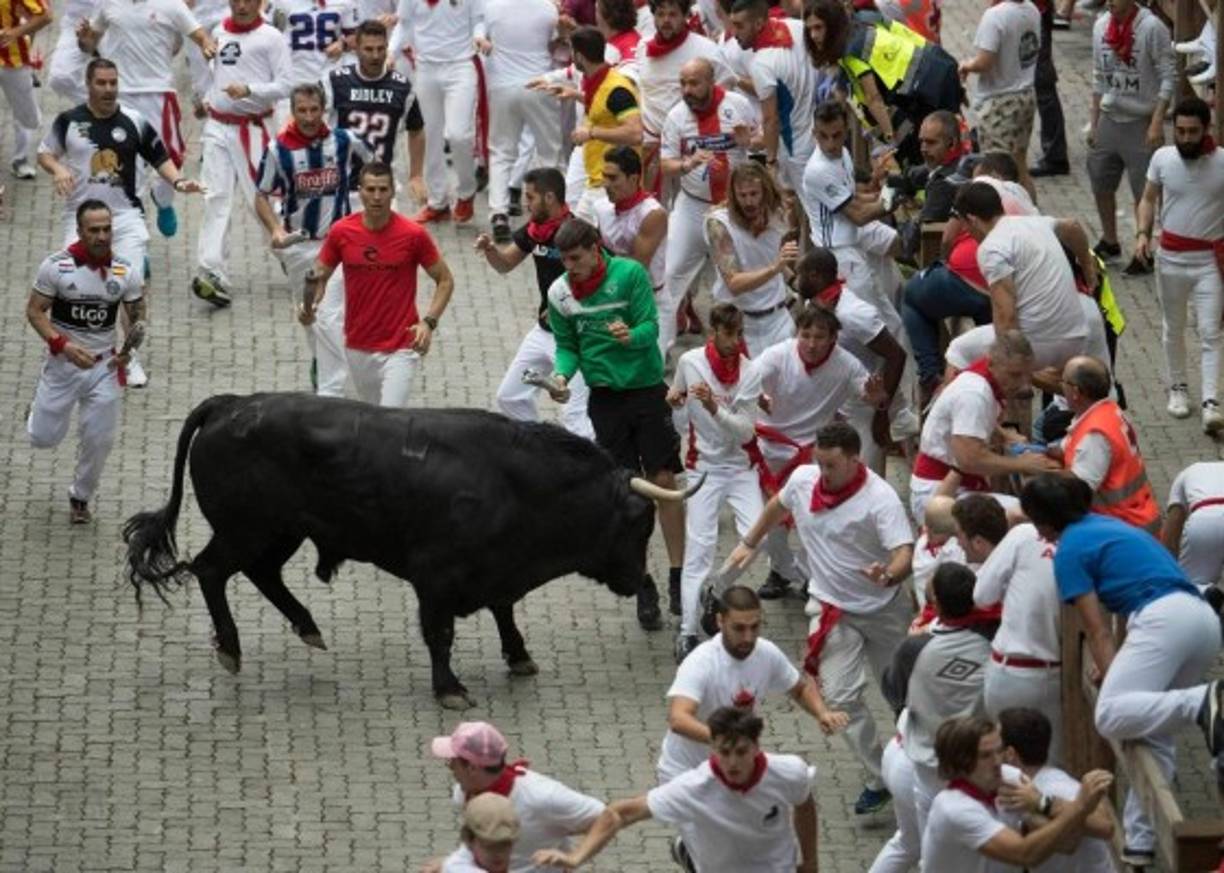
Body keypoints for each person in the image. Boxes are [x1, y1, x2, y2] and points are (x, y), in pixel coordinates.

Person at [1020, 473, 1224, 867]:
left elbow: (1096, 629)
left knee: (1111, 715)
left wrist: (1111, 674)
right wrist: (1120, 669)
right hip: (1200, 621)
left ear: (1045, 522)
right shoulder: (1106, 526)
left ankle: (1204, 700)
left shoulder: (1069, 551)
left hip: (1164, 620)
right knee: (1153, 731)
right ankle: (1139, 845)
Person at [728, 421, 914, 817]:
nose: (823, 473)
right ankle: (881, 776)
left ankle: (918, 764)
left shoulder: (879, 499)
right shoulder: (803, 478)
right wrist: (749, 543)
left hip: (883, 611)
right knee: (840, 698)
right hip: (833, 610)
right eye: (820, 463)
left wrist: (890, 574)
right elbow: (778, 505)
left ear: (854, 459)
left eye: (831, 466)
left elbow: (903, 552)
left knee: (902, 694)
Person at [546, 217, 684, 631]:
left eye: (575, 258)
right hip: (604, 399)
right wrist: (559, 378)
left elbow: (650, 326)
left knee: (663, 481)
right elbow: (568, 347)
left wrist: (631, 337)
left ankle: (679, 576)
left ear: (595, 248)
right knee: (628, 496)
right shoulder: (560, 293)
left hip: (645, 390)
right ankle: (643, 585)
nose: (569, 267)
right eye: (564, 260)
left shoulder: (630, 275)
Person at [37, 58, 206, 388]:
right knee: (71, 285)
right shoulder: (68, 122)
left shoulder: (134, 120)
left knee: (134, 288)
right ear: (88, 85)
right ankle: (72, 353)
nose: (108, 89)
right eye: (101, 83)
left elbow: (160, 158)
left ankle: (128, 359)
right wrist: (58, 170)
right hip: (80, 216)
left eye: (113, 83)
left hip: (125, 217)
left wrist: (180, 182)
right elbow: (45, 153)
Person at [533, 707, 820, 873]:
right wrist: (576, 857)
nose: (733, 762)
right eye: (725, 751)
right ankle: (688, 850)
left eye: (742, 751)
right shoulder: (694, 787)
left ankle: (685, 849)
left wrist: (810, 861)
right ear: (713, 748)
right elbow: (620, 814)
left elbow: (804, 804)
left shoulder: (788, 770)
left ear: (757, 746)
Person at [749, 305, 884, 600]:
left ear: (834, 338)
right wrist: (757, 396)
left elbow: (869, 393)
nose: (811, 344)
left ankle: (814, 577)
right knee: (771, 519)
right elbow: (747, 381)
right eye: (805, 335)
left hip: (812, 455)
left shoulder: (846, 364)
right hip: (770, 449)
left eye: (820, 336)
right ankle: (781, 572)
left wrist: (875, 397)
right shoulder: (778, 355)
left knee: (819, 518)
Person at [24, 201, 144, 524]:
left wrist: (128, 351)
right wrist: (63, 346)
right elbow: (35, 312)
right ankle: (35, 413)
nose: (102, 236)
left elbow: (135, 318)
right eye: (94, 230)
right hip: (63, 365)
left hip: (104, 368)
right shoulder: (56, 267)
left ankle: (80, 496)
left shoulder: (125, 271)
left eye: (107, 229)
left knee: (100, 439)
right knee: (43, 438)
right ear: (79, 231)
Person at [299, 161, 455, 407]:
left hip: (401, 346)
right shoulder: (341, 232)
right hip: (358, 345)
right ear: (359, 191)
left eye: (383, 190)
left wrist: (428, 322)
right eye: (370, 190)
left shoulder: (413, 235)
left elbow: (445, 280)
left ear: (393, 192)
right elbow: (319, 276)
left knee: (390, 421)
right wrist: (310, 305)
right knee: (372, 423)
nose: (377, 197)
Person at [656, 585, 848, 779]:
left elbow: (799, 689)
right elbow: (678, 719)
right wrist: (725, 741)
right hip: (685, 773)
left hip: (733, 769)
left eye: (755, 627)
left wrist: (822, 713)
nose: (748, 637)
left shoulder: (766, 652)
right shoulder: (701, 662)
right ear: (720, 621)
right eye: (739, 628)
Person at [254, 82, 371, 394]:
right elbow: (261, 195)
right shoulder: (278, 149)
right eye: (302, 111)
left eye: (314, 110)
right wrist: (276, 229)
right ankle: (321, 359)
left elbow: (374, 167)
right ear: (292, 112)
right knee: (310, 316)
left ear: (325, 110)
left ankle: (331, 392)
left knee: (329, 314)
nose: (308, 117)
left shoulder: (345, 140)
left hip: (341, 244)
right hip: (300, 248)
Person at [667, 312, 765, 658]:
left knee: (758, 537)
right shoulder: (690, 362)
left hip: (740, 467)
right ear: (713, 332)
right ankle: (688, 631)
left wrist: (713, 407)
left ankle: (717, 589)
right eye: (729, 333)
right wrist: (677, 405)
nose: (735, 342)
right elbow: (679, 419)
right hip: (703, 468)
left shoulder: (751, 372)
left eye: (739, 334)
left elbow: (745, 431)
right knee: (699, 550)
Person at [75, 0, 216, 236]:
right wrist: (83, 38)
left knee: (171, 162)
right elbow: (90, 44)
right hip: (122, 97)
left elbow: (200, 35)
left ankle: (162, 200)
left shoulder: (171, 5)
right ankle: (136, 240)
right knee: (126, 170)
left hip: (160, 95)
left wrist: (208, 46)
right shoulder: (109, 4)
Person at [475, 167, 594, 438]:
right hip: (543, 332)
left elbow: (600, 279)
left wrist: (568, 311)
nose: (525, 203)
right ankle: (544, 451)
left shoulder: (578, 234)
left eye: (530, 197)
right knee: (510, 397)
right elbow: (505, 265)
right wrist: (491, 250)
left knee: (575, 417)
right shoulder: (535, 231)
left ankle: (598, 472)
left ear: (549, 197)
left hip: (576, 338)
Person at [192, 0, 293, 307]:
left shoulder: (271, 37)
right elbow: (216, 75)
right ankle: (213, 273)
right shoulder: (218, 30)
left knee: (259, 201)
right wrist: (206, 98)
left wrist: (250, 91)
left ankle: (294, 256)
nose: (242, 5)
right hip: (217, 128)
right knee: (215, 197)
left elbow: (287, 85)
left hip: (253, 130)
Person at [1134, 96, 1224, 433]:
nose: (1185, 138)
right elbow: (1148, 198)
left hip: (1208, 264)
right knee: (1173, 327)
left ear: (1207, 129)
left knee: (1210, 332)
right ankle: (1178, 388)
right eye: (1180, 131)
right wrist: (1142, 233)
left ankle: (1211, 401)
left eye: (1193, 132)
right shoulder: (1162, 158)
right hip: (1169, 259)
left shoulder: (1222, 164)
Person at [922, 716, 1113, 871]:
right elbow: (1025, 854)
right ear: (961, 761)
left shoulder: (1009, 778)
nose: (998, 761)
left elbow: (1067, 843)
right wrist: (1079, 806)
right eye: (986, 755)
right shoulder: (954, 809)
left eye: (999, 751)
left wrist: (1043, 804)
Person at [659, 57, 758, 355]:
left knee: (733, 282)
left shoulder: (738, 104)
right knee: (670, 276)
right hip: (692, 206)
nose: (687, 90)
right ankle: (658, 351)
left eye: (694, 83)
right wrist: (687, 163)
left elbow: (764, 140)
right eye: (683, 83)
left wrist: (750, 141)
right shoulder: (676, 116)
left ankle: (734, 350)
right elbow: (665, 164)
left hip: (733, 210)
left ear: (711, 81)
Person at [944, 182, 1094, 375]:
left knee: (958, 350)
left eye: (965, 225)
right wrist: (1088, 268)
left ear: (973, 220)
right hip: (1077, 336)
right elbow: (1073, 226)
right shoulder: (1034, 222)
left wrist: (1014, 371)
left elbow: (1006, 317)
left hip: (1038, 344)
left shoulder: (991, 248)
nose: (967, 231)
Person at [909, 331, 1058, 525]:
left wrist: (1004, 435)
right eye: (1014, 375)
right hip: (938, 491)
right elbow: (970, 460)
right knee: (1025, 519)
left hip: (952, 485)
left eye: (1026, 376)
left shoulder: (982, 380)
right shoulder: (975, 394)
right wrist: (1024, 464)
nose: (1022, 384)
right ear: (992, 363)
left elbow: (972, 421)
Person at [961, 494, 1064, 766]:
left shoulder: (1023, 534)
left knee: (1005, 763)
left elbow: (982, 595)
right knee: (1049, 764)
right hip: (1054, 672)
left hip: (1010, 672)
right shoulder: (1086, 544)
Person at [795, 247, 914, 472]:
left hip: (866, 404)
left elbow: (897, 355)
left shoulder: (854, 314)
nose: (797, 281)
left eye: (800, 275)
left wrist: (881, 413)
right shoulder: (817, 303)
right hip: (838, 400)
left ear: (815, 277)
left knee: (865, 473)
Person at [427, 721, 605, 872]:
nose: (449, 766)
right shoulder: (462, 794)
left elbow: (607, 817)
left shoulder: (541, 797)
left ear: (472, 768)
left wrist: (575, 858)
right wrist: (450, 864)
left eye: (453, 760)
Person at [801, 0, 962, 166]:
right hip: (941, 64)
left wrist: (890, 139)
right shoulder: (864, 18)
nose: (813, 35)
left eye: (818, 27)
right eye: (809, 29)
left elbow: (873, 98)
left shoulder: (850, 52)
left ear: (833, 25)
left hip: (929, 88)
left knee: (936, 147)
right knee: (949, 135)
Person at [1087, 0, 1175, 274]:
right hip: (1109, 116)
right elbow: (1099, 76)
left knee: (1143, 191)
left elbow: (1168, 76)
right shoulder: (1101, 26)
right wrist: (1093, 123)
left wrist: (1157, 121)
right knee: (1101, 180)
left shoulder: (1152, 28)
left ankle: (1143, 249)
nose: (1110, 2)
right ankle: (1110, 239)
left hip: (1141, 119)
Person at [800, 100, 898, 319]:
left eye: (836, 135)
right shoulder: (818, 170)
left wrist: (878, 185)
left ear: (846, 131)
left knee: (889, 315)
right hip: (839, 254)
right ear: (814, 133)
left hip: (855, 238)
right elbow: (859, 215)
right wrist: (891, 197)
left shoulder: (843, 152)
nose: (830, 143)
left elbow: (852, 197)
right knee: (873, 318)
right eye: (823, 136)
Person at [390, 0, 483, 224]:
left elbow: (479, 21)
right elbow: (404, 24)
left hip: (460, 67)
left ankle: (466, 192)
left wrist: (479, 36)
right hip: (426, 69)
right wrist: (391, 52)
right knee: (432, 135)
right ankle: (438, 201)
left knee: (458, 135)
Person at [1052, 355, 1160, 535]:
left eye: (1063, 381)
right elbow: (1067, 448)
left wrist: (1042, 477)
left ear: (1076, 392)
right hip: (1136, 518)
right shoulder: (1108, 410)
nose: (1060, 386)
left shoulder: (1095, 436)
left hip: (1120, 531)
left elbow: (1078, 492)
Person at [997, 708, 1115, 872]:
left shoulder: (1056, 786)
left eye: (995, 749)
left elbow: (1105, 827)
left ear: (1010, 754)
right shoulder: (1023, 788)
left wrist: (1042, 803)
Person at [481, 0, 561, 242]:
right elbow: (555, 43)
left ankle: (498, 213)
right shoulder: (548, 9)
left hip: (502, 85)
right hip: (538, 83)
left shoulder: (491, 7)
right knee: (550, 152)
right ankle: (553, 211)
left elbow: (481, 39)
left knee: (501, 152)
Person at [632, 0, 729, 196]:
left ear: (685, 15)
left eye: (673, 14)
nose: (666, 20)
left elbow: (725, 88)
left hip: (693, 148)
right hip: (651, 149)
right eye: (660, 14)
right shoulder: (643, 47)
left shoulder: (706, 49)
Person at [703, 162, 797, 357]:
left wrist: (795, 281)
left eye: (754, 194)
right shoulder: (719, 224)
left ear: (765, 191)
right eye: (742, 195)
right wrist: (775, 268)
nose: (749, 202)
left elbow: (772, 257)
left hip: (778, 319)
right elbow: (734, 283)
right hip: (738, 324)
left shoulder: (781, 214)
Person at [728, 0, 818, 192]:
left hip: (796, 149)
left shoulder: (762, 64)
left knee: (817, 216)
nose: (735, 33)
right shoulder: (797, 26)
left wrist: (771, 160)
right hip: (821, 133)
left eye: (739, 26)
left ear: (759, 24)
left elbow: (771, 119)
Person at [560, 26, 643, 222]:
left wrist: (591, 133)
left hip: (610, 183)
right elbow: (603, 109)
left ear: (579, 56)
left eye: (572, 52)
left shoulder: (616, 89)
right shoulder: (599, 81)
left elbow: (635, 133)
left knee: (578, 241)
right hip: (598, 178)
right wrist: (574, 94)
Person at [958, 0, 1040, 197]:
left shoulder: (996, 16)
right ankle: (1032, 214)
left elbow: (985, 62)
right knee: (1020, 166)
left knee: (999, 173)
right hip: (1025, 94)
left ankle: (1013, 219)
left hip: (1000, 103)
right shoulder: (1031, 9)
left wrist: (967, 65)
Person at [592, 146, 669, 354]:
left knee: (651, 376)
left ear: (634, 179)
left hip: (650, 304)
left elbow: (635, 268)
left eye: (613, 178)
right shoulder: (600, 208)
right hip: (614, 300)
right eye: (604, 176)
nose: (606, 184)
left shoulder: (653, 214)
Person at [0, 0, 49, 180]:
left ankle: (20, 159)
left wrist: (16, 32)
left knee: (27, 116)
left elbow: (46, 15)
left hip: (14, 60)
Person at [1162, 461, 1224, 594]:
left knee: (1193, 586)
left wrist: (1168, 571)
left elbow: (1173, 527)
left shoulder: (1187, 472)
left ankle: (1203, 594)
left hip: (1205, 520)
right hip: (1207, 519)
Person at [268, 0, 358, 92]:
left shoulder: (345, 2)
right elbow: (265, 32)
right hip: (293, 73)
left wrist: (343, 44)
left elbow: (356, 36)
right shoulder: (279, 2)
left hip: (329, 72)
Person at [440, 792, 521, 873]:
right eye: (490, 847)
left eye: (504, 845)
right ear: (469, 840)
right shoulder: (457, 868)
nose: (498, 853)